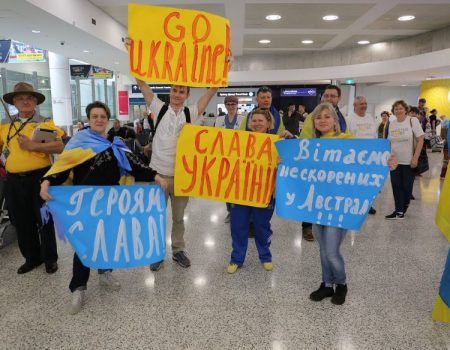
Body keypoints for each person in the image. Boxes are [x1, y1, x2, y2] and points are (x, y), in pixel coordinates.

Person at [40, 101, 168, 315]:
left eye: (102, 116)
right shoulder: (79, 142)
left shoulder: (116, 143)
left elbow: (135, 163)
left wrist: (155, 176)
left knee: (106, 240)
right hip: (86, 204)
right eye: (94, 116)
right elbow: (62, 167)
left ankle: (105, 273)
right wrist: (46, 181)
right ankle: (78, 287)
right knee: (85, 244)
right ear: (89, 120)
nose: (99, 119)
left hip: (110, 203)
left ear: (107, 120)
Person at [127, 37, 229, 271]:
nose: (177, 93)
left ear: (187, 95)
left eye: (182, 91)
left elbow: (211, 93)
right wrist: (133, 54)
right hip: (158, 174)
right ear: (170, 91)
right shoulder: (158, 108)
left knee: (178, 218)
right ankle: (156, 253)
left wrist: (224, 67)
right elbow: (142, 85)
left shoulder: (192, 112)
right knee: (156, 216)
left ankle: (178, 250)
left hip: (182, 176)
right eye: (174, 89)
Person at [307, 102, 397, 305]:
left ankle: (342, 283)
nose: (322, 120)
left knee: (331, 251)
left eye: (326, 116)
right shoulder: (310, 145)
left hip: (340, 205)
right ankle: (327, 284)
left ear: (335, 121)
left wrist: (387, 160)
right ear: (314, 122)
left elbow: (368, 160)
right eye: (318, 117)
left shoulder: (346, 141)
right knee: (322, 249)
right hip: (316, 205)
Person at [0, 82, 64, 274]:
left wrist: (34, 147)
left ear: (35, 101)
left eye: (29, 98)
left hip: (39, 179)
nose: (25, 101)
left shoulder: (44, 122)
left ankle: (50, 258)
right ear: (14, 103)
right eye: (21, 98)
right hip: (13, 181)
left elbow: (59, 147)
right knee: (21, 221)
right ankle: (31, 258)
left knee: (44, 220)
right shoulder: (5, 124)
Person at [227, 109, 293, 274]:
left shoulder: (278, 142)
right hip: (240, 192)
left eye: (260, 120)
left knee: (262, 227)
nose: (256, 123)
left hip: (264, 192)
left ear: (269, 123)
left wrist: (288, 145)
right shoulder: (240, 141)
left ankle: (265, 256)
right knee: (238, 226)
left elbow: (294, 156)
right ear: (249, 123)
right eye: (253, 120)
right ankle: (236, 258)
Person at [299, 85, 349, 242]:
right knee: (312, 198)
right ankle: (308, 227)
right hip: (315, 168)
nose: (329, 98)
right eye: (326, 95)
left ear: (338, 98)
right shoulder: (312, 116)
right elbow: (304, 143)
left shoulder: (342, 118)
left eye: (332, 96)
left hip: (335, 176)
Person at [385, 100, 424, 220]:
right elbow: (388, 142)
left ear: (406, 110)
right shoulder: (392, 123)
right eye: (396, 108)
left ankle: (405, 204)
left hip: (409, 161)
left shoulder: (412, 121)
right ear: (393, 111)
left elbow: (420, 139)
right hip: (395, 161)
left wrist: (415, 158)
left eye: (401, 108)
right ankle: (399, 211)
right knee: (396, 186)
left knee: (407, 187)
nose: (398, 110)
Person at [214, 95, 245, 223]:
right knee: (226, 187)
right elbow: (215, 138)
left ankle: (238, 212)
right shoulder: (219, 120)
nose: (231, 107)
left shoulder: (244, 119)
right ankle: (230, 211)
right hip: (224, 159)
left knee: (238, 186)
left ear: (237, 105)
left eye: (233, 104)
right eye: (228, 104)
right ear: (225, 106)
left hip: (239, 158)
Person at [347, 96, 377, 214]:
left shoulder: (370, 118)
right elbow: (347, 138)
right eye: (361, 104)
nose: (364, 106)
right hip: (355, 157)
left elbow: (375, 136)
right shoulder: (349, 119)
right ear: (355, 105)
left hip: (370, 157)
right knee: (356, 182)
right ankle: (355, 204)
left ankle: (368, 204)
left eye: (365, 103)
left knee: (368, 182)